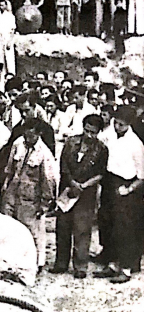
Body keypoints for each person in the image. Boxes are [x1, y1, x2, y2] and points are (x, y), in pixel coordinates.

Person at [51, 114, 107, 280]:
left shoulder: (102, 149)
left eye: (93, 132)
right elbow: (63, 165)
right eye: (87, 130)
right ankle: (61, 263)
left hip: (86, 194)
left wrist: (84, 185)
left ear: (99, 132)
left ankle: (80, 266)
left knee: (82, 229)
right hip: (67, 190)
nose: (89, 135)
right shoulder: (70, 142)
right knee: (63, 226)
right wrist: (72, 182)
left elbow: (101, 173)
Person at [1, 118, 57, 270]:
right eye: (26, 135)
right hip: (13, 191)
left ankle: (36, 263)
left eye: (31, 136)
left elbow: (48, 181)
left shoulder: (44, 153)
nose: (27, 139)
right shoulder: (18, 144)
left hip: (31, 198)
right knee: (11, 226)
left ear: (38, 134)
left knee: (32, 231)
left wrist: (44, 204)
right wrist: (5, 187)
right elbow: (10, 167)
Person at [97, 105, 144, 283]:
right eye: (115, 123)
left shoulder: (136, 144)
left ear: (129, 124)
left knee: (125, 229)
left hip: (126, 187)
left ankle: (126, 268)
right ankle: (112, 264)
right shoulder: (110, 135)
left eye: (121, 125)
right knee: (108, 224)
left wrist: (128, 189)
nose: (117, 127)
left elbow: (142, 176)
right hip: (110, 182)